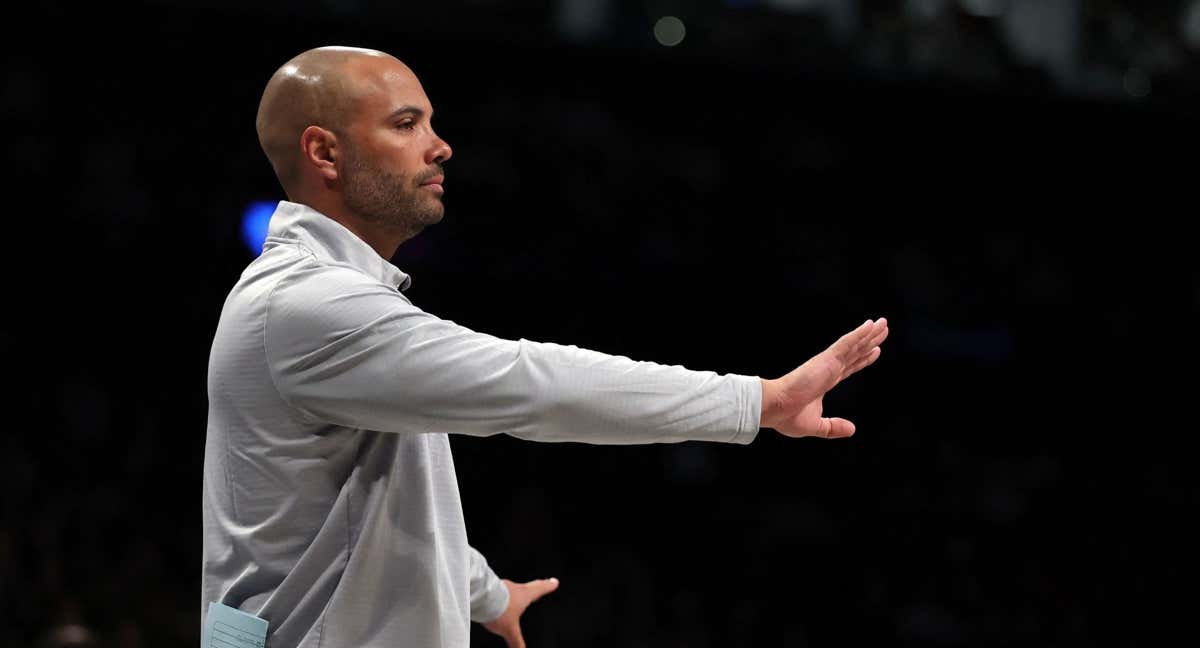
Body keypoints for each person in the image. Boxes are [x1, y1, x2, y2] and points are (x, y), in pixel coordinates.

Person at [202, 45, 889, 648]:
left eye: (431, 123)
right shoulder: (308, 305)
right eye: (406, 124)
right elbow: (532, 382)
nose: (439, 146)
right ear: (324, 151)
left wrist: (487, 593)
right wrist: (759, 401)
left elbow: (366, 501)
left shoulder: (324, 300)